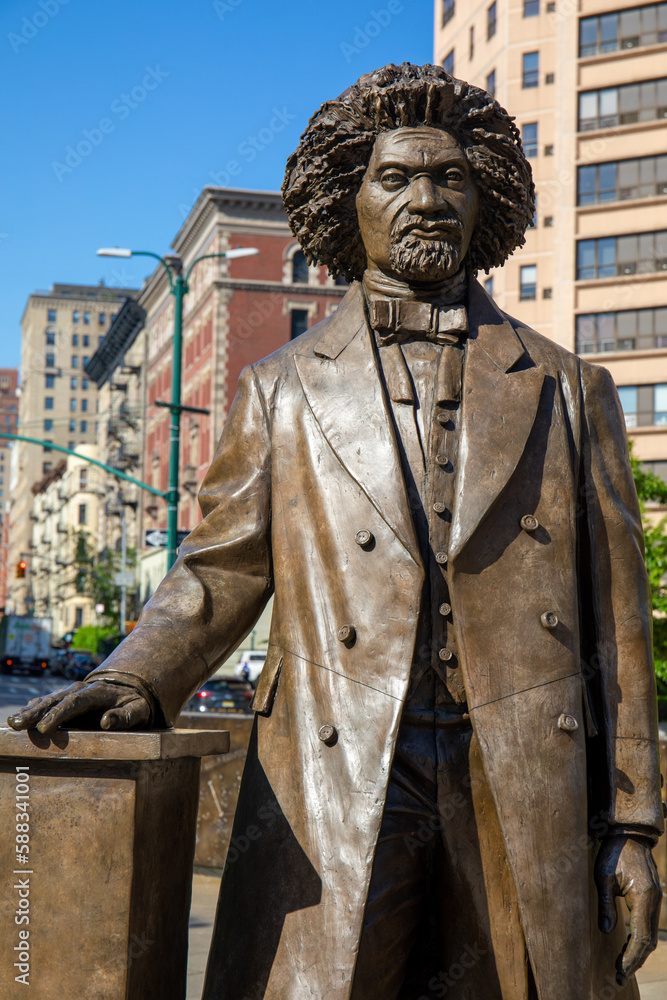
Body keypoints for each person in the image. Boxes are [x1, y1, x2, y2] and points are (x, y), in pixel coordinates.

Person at [10, 64, 663, 1000]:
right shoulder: (278, 389)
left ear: (487, 201)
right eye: (394, 178)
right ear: (346, 201)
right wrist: (130, 674)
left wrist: (635, 826)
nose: (426, 201)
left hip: (519, 765)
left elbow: (619, 624)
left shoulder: (567, 390)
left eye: (449, 178)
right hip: (342, 762)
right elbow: (217, 571)